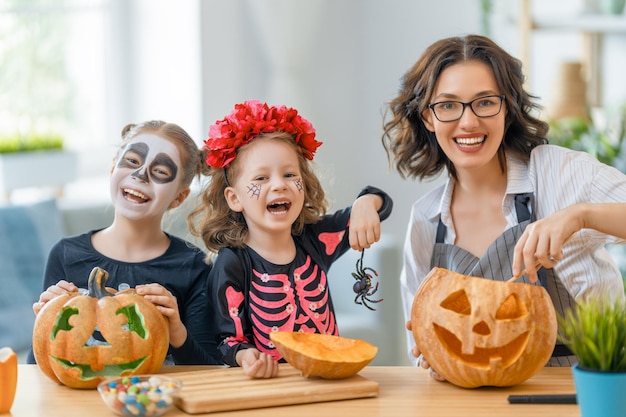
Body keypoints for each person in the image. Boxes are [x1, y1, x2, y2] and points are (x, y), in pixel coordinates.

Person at [381, 34, 626, 378]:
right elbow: (422, 348)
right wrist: (432, 355)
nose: (468, 122)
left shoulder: (558, 173)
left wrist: (579, 215)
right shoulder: (426, 218)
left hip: (585, 393)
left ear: (507, 108)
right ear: (428, 118)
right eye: (448, 105)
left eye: (484, 102)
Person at [188, 100, 393, 378]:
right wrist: (246, 355)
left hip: (331, 376)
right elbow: (228, 340)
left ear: (303, 185)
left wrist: (367, 202)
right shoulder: (232, 262)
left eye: (289, 174)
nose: (279, 184)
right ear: (235, 198)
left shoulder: (316, 239)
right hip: (274, 384)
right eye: (261, 178)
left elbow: (381, 205)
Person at [28, 120, 220, 365]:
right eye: (131, 161)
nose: (140, 175)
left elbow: (210, 369)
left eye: (160, 172)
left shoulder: (194, 265)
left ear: (179, 197)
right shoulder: (65, 254)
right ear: (112, 168)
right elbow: (38, 366)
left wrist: (177, 332)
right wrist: (44, 320)